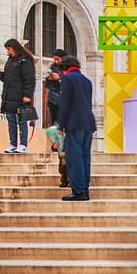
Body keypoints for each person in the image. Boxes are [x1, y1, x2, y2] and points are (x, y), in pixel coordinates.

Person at [57, 56, 96, 201]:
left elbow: (65, 103)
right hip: (88, 123)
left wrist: (61, 124)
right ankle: (84, 189)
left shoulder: (68, 79)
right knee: (85, 157)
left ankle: (78, 191)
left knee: (74, 158)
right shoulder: (87, 80)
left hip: (74, 123)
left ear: (64, 68)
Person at [0, 39, 36, 154]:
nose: (8, 51)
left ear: (15, 48)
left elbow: (30, 79)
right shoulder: (10, 61)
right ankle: (13, 144)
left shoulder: (25, 60)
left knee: (21, 121)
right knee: (11, 122)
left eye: (9, 49)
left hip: (20, 96)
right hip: (9, 96)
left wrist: (27, 94)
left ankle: (23, 144)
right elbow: (8, 77)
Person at [43, 49, 66, 126]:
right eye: (54, 59)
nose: (56, 61)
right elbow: (47, 85)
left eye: (57, 59)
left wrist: (59, 78)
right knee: (54, 123)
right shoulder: (53, 68)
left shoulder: (67, 69)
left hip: (64, 100)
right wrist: (49, 79)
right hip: (53, 100)